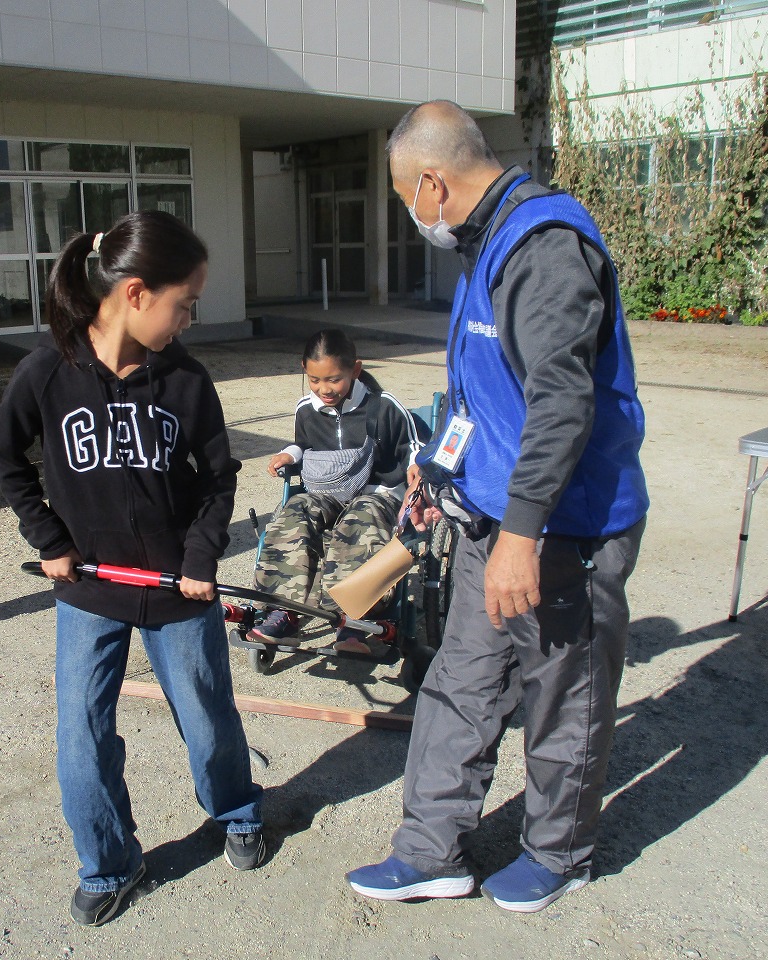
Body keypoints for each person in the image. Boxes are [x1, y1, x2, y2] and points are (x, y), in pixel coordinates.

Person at [346, 101, 649, 913]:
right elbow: (480, 391)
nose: (413, 214)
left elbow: (560, 403)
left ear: (434, 183)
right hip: (492, 514)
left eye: (408, 196)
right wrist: (435, 469)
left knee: (563, 693)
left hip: (563, 528)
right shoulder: (487, 244)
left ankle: (558, 853)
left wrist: (522, 536)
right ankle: (430, 850)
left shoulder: (544, 248)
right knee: (462, 681)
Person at [0, 211, 264, 927]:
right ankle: (110, 863)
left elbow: (218, 478)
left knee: (207, 718)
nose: (189, 319)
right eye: (185, 303)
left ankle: (236, 810)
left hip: (178, 591)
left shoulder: (186, 380)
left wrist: (201, 556)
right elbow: (2, 452)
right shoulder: (47, 372)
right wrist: (48, 537)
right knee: (81, 736)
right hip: (89, 590)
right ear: (135, 293)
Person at [250, 329, 420, 653]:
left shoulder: (384, 406)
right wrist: (290, 454)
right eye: (314, 380)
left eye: (334, 379)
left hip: (377, 492)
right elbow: (304, 444)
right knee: (296, 511)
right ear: (304, 369)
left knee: (360, 519)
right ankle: (283, 611)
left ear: (355, 370)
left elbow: (414, 448)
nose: (324, 389)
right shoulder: (306, 409)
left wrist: (416, 466)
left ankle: (352, 619)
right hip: (327, 491)